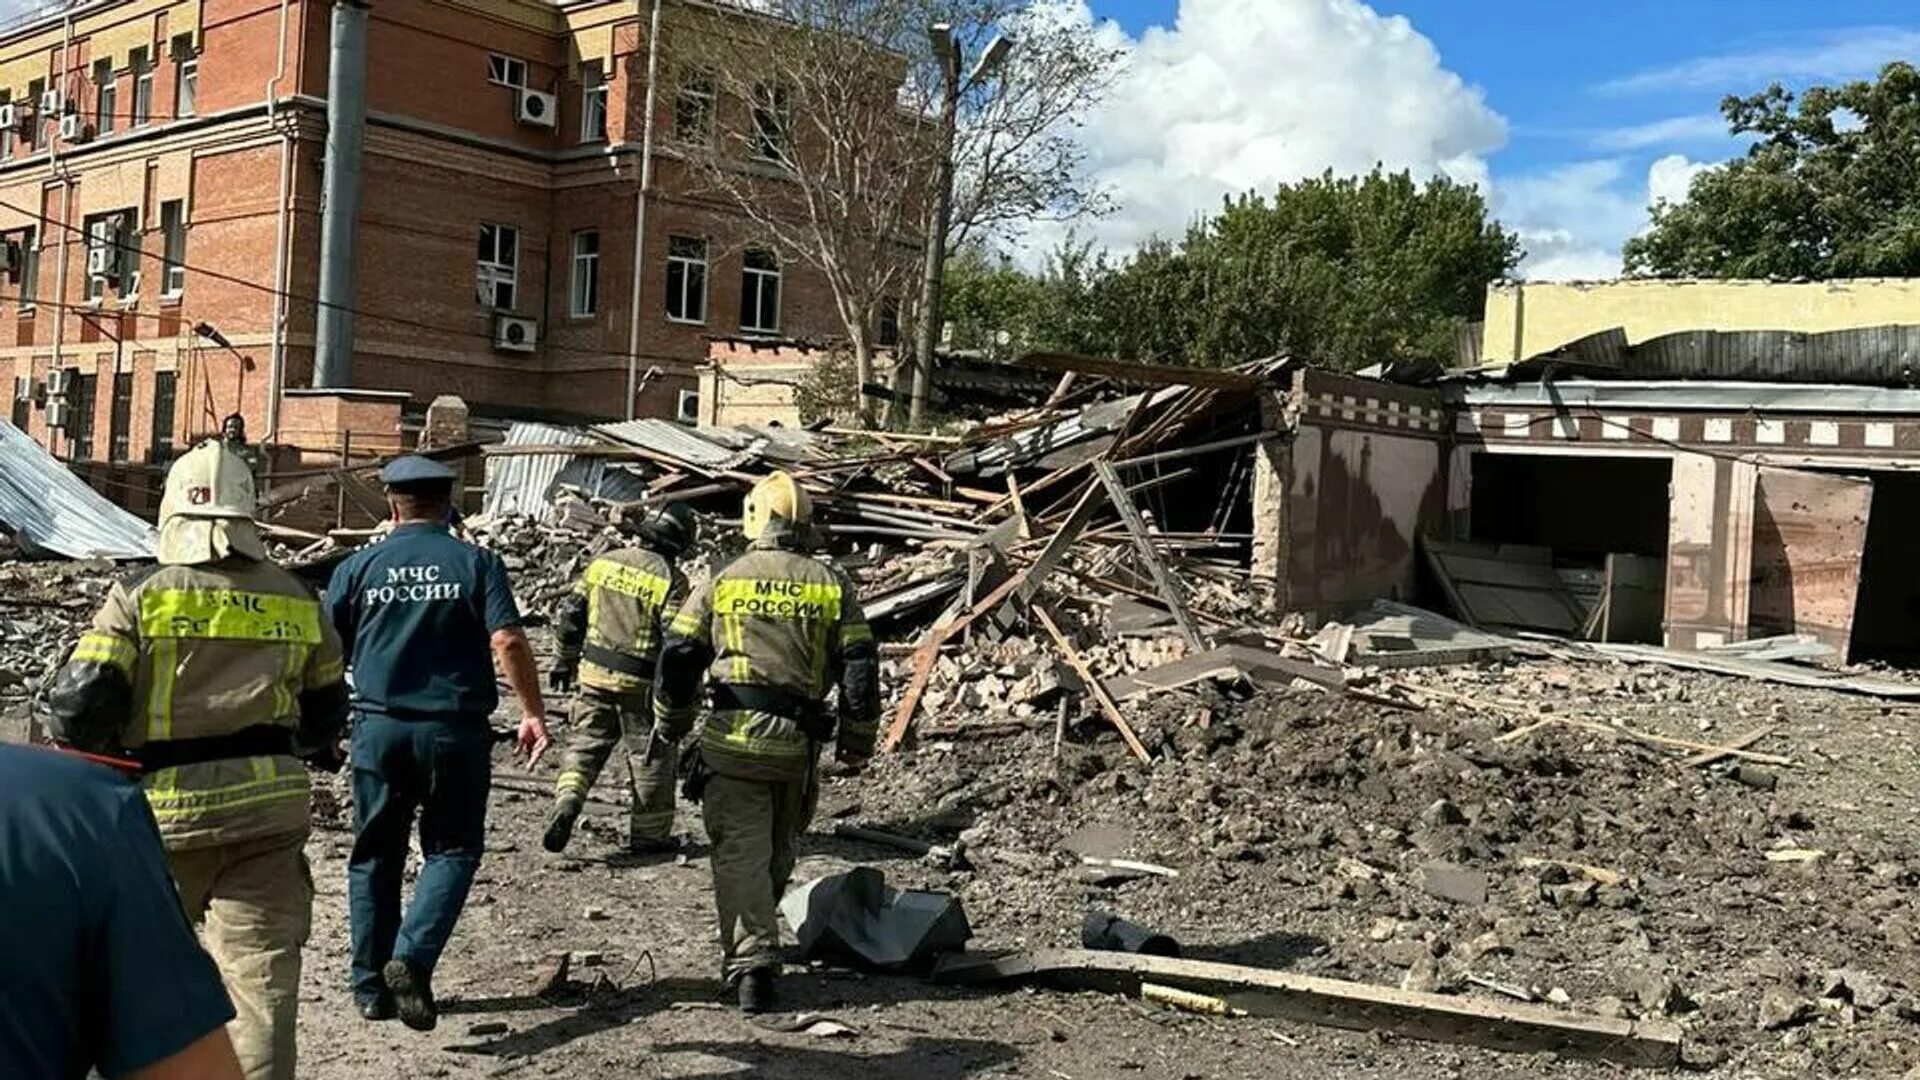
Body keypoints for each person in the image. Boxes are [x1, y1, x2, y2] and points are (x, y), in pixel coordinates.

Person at [43, 441, 350, 1080]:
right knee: (261, 992)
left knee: (130, 981)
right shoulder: (299, 597)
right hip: (268, 811)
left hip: (161, 818)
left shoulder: (140, 595)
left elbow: (77, 708)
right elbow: (325, 717)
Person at [326, 455, 550, 1032]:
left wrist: (323, 728)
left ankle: (371, 988)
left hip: (377, 730)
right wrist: (532, 711)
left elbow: (325, 653)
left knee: (375, 854)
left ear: (392, 502)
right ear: (449, 503)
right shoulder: (477, 563)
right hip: (453, 732)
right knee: (451, 849)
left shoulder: (359, 567)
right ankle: (414, 957)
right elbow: (507, 639)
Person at [652, 471, 879, 1014]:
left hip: (732, 742)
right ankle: (755, 945)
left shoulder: (724, 578)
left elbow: (680, 655)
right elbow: (859, 665)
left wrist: (672, 719)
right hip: (795, 750)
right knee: (777, 854)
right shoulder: (831, 584)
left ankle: (752, 961)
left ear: (755, 517)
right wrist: (857, 739)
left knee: (740, 855)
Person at [0, 743, 246, 1080]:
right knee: (258, 967)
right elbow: (192, 1071)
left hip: (168, 799)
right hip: (249, 804)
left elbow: (84, 703)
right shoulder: (74, 804)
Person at [544, 502, 698, 855]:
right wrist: (678, 695)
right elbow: (675, 642)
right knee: (651, 759)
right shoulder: (670, 578)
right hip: (639, 686)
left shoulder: (603, 563)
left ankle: (567, 801)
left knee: (584, 746)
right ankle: (649, 837)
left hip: (593, 675)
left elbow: (571, 614)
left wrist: (562, 659)